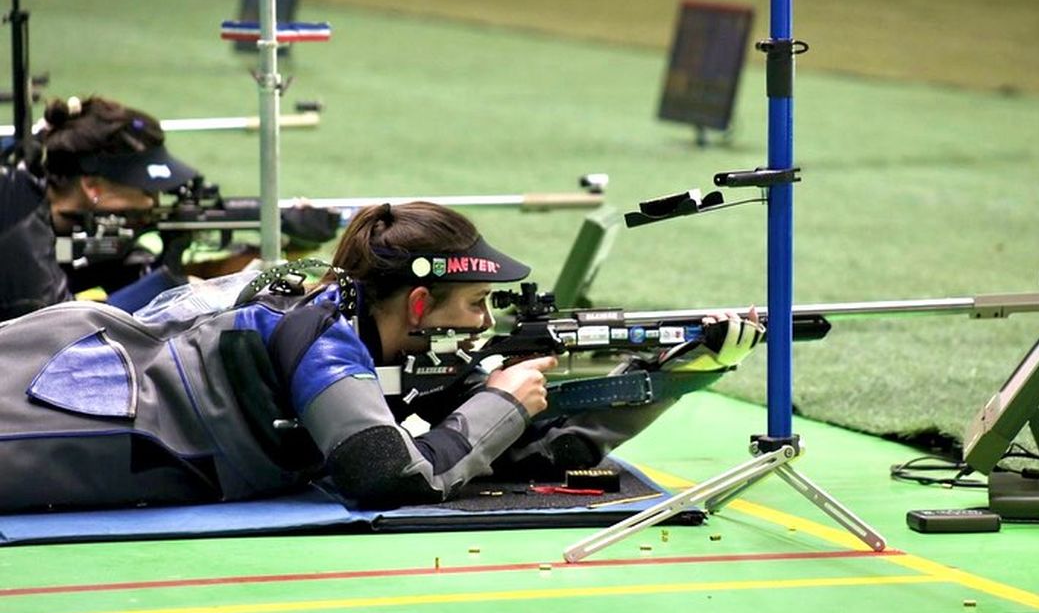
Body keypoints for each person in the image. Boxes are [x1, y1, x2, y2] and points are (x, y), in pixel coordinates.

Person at [0, 202, 762, 513]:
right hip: (53, 405)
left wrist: (676, 378)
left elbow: (536, 465)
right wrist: (497, 400)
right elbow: (386, 479)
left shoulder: (368, 338)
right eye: (477, 306)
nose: (487, 323)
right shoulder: (318, 331)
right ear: (420, 304)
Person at [0, 95, 201, 320]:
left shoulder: (44, 202)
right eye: (146, 191)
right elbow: (59, 333)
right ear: (93, 187)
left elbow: (102, 264)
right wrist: (164, 281)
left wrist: (147, 268)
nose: (153, 203)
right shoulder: (18, 222)